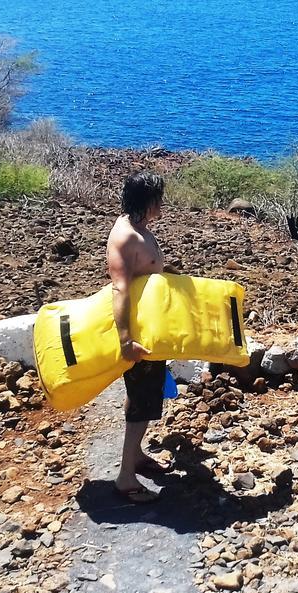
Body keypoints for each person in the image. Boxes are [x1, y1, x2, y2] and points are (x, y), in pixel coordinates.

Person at [106, 172, 174, 503]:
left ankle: (137, 457)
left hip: (151, 329)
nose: (162, 204)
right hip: (138, 335)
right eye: (158, 198)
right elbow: (120, 288)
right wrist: (125, 339)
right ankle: (125, 478)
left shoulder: (139, 228)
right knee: (141, 401)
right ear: (146, 201)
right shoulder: (125, 237)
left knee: (148, 398)